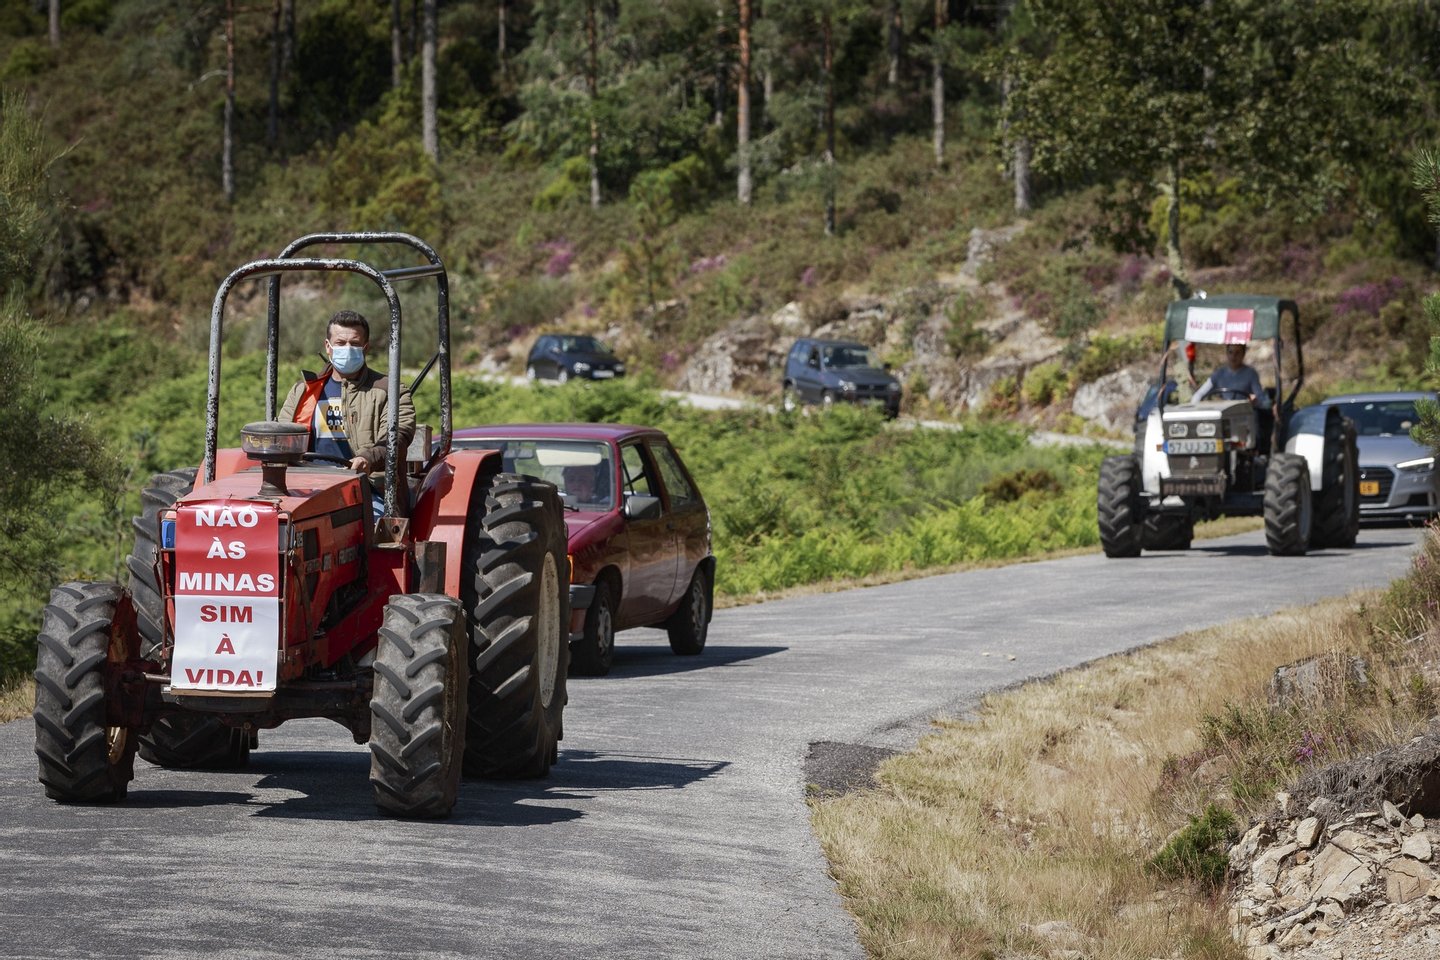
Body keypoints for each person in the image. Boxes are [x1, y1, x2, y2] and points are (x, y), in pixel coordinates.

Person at [278, 310, 416, 512]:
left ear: (365, 348)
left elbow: (398, 437)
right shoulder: (303, 391)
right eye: (341, 343)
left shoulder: (390, 390)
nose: (347, 348)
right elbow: (281, 436)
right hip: (306, 485)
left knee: (370, 522)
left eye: (355, 343)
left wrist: (366, 459)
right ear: (328, 346)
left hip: (366, 487)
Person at [1192, 342, 1270, 409]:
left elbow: (1261, 399)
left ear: (1243, 354)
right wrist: (1194, 405)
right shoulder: (1219, 374)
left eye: (1237, 353)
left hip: (1244, 414)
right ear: (1227, 353)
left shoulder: (1251, 374)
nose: (1233, 356)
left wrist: (1255, 401)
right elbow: (1200, 393)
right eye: (1230, 352)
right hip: (1224, 413)